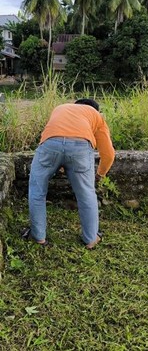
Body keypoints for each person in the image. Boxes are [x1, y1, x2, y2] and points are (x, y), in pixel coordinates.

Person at [26, 98, 115, 248]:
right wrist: (101, 174)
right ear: (95, 109)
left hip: (50, 144)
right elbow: (108, 154)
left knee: (37, 191)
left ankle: (38, 237)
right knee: (87, 194)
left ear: (75, 105)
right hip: (81, 147)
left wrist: (58, 163)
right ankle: (91, 239)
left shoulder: (61, 108)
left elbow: (53, 136)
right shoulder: (96, 115)